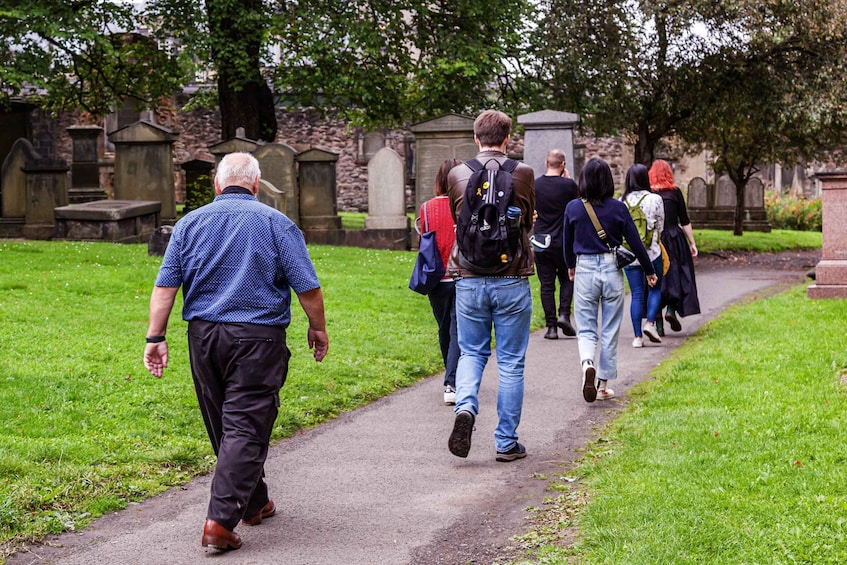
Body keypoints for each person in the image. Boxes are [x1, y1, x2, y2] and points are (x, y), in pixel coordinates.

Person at [142, 152, 329, 552]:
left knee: (226, 424)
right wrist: (318, 327)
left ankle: (254, 502)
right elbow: (307, 286)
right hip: (257, 338)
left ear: (217, 185)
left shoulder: (188, 224)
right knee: (244, 425)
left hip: (204, 337)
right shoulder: (277, 224)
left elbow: (165, 287)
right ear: (256, 185)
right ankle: (219, 523)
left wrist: (154, 337)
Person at [445, 109, 535, 462]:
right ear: (508, 138)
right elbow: (528, 221)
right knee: (511, 362)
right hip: (511, 277)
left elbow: (459, 220)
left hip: (468, 277)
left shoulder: (457, 174)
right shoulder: (524, 173)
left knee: (471, 352)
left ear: (475, 137)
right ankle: (506, 441)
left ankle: (465, 407)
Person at [564, 157, 656, 402]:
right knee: (610, 328)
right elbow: (635, 242)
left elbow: (566, 242)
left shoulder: (573, 207)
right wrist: (649, 270)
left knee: (585, 326)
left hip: (584, 266)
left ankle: (586, 364)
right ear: (608, 180)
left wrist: (570, 266)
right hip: (611, 267)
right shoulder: (618, 207)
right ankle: (602, 385)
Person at [418, 158, 462, 405]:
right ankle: (452, 381)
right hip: (461, 273)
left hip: (435, 275)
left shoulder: (426, 208)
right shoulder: (464, 206)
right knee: (457, 329)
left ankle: (451, 376)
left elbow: (424, 240)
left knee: (444, 327)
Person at [648, 159, 700, 334]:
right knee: (675, 274)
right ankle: (671, 309)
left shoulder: (648, 194)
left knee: (654, 278)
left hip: (655, 239)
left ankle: (659, 325)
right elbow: (684, 220)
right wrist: (692, 242)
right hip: (674, 237)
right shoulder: (675, 192)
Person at [533, 149, 579, 339]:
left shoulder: (535, 185)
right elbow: (577, 209)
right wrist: (567, 180)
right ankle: (564, 315)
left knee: (546, 284)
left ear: (546, 163)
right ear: (563, 165)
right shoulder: (569, 186)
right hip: (564, 240)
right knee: (568, 278)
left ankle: (551, 327)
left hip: (542, 241)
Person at [621, 164, 665, 348]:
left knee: (636, 294)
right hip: (652, 251)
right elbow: (661, 225)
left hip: (630, 254)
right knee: (655, 288)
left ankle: (637, 337)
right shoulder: (655, 199)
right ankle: (651, 324)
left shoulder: (622, 201)